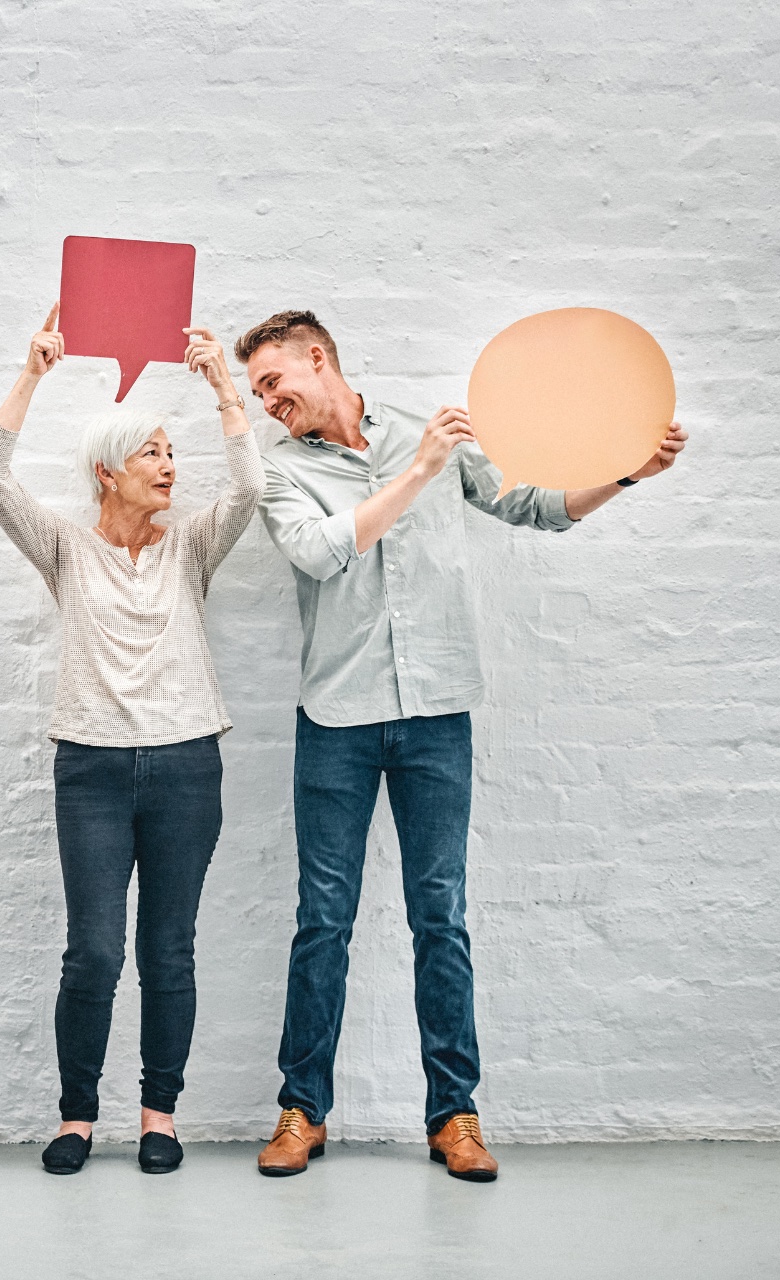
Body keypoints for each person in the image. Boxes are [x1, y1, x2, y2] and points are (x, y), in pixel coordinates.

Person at [240, 310, 688, 1182]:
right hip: (337, 718)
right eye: (257, 390)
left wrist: (627, 474)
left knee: (439, 916)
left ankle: (455, 1116)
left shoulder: (426, 431)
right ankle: (301, 1111)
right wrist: (417, 474)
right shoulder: (282, 470)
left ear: (319, 358)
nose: (266, 403)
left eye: (272, 382)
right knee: (321, 921)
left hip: (439, 712)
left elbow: (531, 507)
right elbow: (324, 552)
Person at [0, 306, 261, 1175]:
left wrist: (224, 389)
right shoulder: (64, 547)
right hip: (91, 769)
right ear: (108, 472)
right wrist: (33, 371)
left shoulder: (192, 549)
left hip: (185, 766)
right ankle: (77, 1117)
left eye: (172, 453)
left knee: (168, 949)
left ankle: (159, 1116)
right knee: (93, 950)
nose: (171, 468)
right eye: (152, 454)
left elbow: (248, 489)